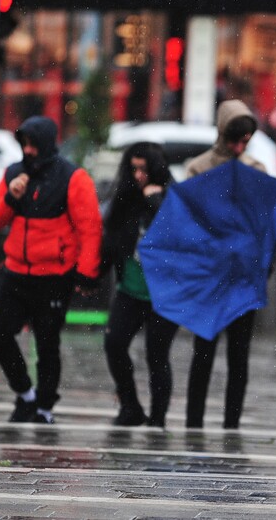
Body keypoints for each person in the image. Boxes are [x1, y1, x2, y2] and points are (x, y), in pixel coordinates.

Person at [0, 115, 102, 425]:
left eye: (33, 144)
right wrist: (12, 196)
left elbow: (89, 228)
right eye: (24, 144)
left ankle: (44, 406)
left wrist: (86, 272)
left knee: (47, 342)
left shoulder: (73, 178)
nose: (28, 150)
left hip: (54, 275)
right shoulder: (14, 173)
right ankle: (25, 393)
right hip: (15, 272)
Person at [184, 99, 267, 429]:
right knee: (203, 352)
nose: (239, 146)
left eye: (245, 139)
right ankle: (194, 421)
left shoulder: (256, 169)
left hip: (243, 277)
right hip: (209, 277)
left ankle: (231, 423)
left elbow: (263, 222)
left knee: (239, 354)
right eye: (235, 138)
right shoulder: (199, 167)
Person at [100, 142, 179, 427]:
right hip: (131, 289)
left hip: (164, 294)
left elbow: (179, 233)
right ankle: (130, 405)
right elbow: (111, 240)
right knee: (114, 344)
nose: (138, 175)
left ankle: (157, 419)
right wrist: (95, 274)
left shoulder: (173, 197)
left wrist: (155, 200)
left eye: (144, 169)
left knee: (157, 355)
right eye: (133, 168)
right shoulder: (126, 198)